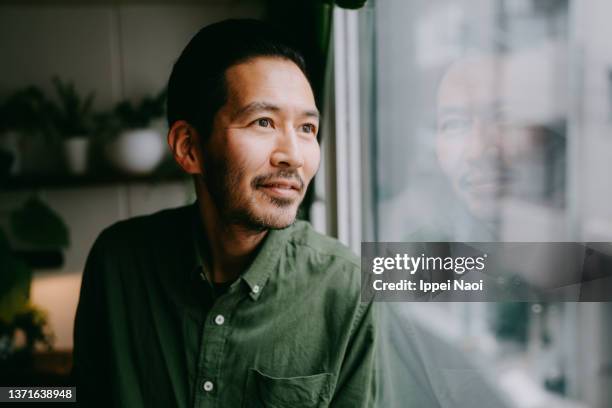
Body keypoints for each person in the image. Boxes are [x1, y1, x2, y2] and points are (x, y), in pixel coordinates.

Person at [72, 19, 375, 407]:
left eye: (306, 128)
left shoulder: (346, 286)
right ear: (189, 148)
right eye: (263, 122)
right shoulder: (118, 262)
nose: (294, 156)